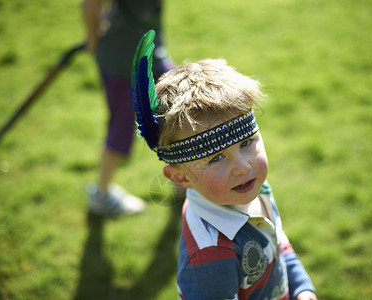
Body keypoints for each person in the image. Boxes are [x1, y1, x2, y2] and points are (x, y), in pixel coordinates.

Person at [132, 46, 317, 298]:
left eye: (246, 143)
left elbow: (277, 244)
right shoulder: (211, 256)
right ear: (182, 177)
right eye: (216, 158)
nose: (242, 167)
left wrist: (303, 289)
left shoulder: (254, 189)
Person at [82, 0, 174, 215]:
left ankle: (195, 182)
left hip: (152, 55)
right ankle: (101, 195)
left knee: (181, 111)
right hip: (124, 63)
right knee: (122, 128)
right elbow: (90, 4)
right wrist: (93, 39)